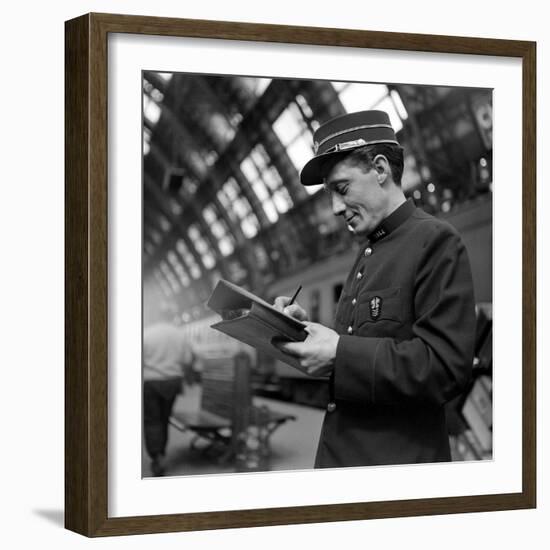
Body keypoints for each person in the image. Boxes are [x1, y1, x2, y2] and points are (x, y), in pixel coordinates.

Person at [274, 110, 476, 468]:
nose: (335, 208)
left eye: (342, 188)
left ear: (380, 169)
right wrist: (305, 332)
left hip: (395, 470)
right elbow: (362, 349)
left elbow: (445, 368)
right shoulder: (368, 251)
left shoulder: (435, 241)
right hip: (343, 460)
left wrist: (338, 352)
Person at [143, 306, 193, 476]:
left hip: (151, 382)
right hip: (172, 382)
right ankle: (161, 451)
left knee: (152, 420)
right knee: (164, 419)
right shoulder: (180, 334)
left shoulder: (146, 333)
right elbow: (187, 359)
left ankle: (156, 455)